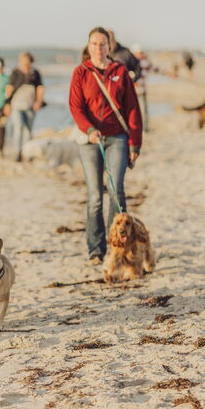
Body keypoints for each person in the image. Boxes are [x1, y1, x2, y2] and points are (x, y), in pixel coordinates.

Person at [69, 27, 143, 264]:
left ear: (110, 46)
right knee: (94, 197)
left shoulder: (119, 71)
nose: (98, 49)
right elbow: (76, 107)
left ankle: (117, 245)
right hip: (90, 140)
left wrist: (135, 144)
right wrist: (89, 129)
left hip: (117, 138)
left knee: (116, 191)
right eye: (94, 44)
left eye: (102, 44)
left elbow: (132, 108)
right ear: (88, 47)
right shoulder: (81, 72)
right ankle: (95, 247)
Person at [4, 52, 44, 162]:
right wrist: (7, 104)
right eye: (23, 63)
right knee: (18, 127)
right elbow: (9, 88)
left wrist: (38, 101)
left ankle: (27, 152)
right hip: (17, 105)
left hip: (30, 105)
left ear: (31, 62)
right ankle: (18, 152)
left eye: (27, 63)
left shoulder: (35, 73)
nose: (25, 65)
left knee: (28, 130)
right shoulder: (15, 72)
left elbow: (40, 88)